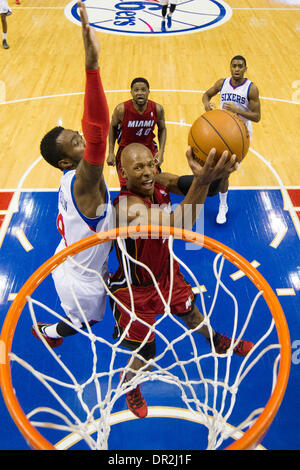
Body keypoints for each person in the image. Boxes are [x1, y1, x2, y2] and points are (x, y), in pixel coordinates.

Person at [109, 142, 254, 419]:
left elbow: (199, 188)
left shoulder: (159, 181)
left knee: (190, 313)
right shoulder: (127, 207)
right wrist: (202, 180)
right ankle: (130, 384)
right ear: (123, 174)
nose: (148, 172)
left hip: (166, 272)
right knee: (146, 351)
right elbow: (179, 224)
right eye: (138, 167)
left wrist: (214, 174)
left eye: (150, 163)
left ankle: (216, 341)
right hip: (136, 290)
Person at [31, 2, 113, 348]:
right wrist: (91, 67)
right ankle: (49, 333)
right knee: (87, 322)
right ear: (66, 162)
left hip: (69, 254)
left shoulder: (70, 178)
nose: (82, 140)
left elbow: (89, 134)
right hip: (82, 280)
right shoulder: (83, 181)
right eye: (74, 143)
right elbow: (97, 132)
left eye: (76, 137)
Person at [202, 55, 261, 224]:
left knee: (224, 172)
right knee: (220, 171)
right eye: (234, 66)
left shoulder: (251, 89)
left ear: (245, 68)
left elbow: (257, 117)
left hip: (240, 135)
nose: (236, 69)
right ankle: (222, 203)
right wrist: (206, 104)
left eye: (240, 66)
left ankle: (222, 205)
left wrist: (237, 110)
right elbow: (206, 95)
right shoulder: (222, 83)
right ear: (230, 67)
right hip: (222, 130)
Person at [107, 77, 166, 188]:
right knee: (127, 187)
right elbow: (113, 128)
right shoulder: (121, 109)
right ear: (131, 92)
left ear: (148, 92)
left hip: (148, 150)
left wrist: (161, 151)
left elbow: (162, 129)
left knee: (153, 184)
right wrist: (110, 152)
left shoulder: (157, 109)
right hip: (126, 151)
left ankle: (152, 205)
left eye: (143, 90)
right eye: (136, 90)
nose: (140, 93)